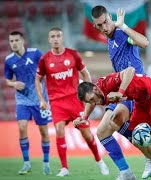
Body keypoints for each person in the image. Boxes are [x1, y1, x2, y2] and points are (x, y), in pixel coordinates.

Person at [90, 5, 151, 179]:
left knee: (116, 119)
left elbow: (144, 43)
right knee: (102, 132)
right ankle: (127, 172)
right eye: (99, 25)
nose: (104, 27)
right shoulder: (109, 39)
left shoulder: (120, 33)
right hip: (123, 90)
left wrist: (124, 26)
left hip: (135, 87)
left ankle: (149, 153)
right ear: (95, 25)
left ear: (110, 18)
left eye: (106, 22)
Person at [34, 27, 109, 177]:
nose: (55, 39)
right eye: (52, 36)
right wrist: (41, 99)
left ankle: (99, 161)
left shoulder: (73, 55)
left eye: (58, 36)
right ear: (49, 40)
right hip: (56, 101)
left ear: (62, 38)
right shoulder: (45, 59)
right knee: (59, 130)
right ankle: (64, 168)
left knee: (87, 135)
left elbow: (85, 73)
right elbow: (38, 79)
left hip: (74, 100)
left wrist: (89, 92)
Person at [4, 31, 52, 175]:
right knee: (22, 126)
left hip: (40, 99)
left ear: (22, 40)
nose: (14, 43)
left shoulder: (35, 53)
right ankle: (26, 163)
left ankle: (46, 163)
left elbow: (47, 69)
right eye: (11, 41)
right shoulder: (9, 60)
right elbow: (7, 80)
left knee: (44, 131)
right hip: (22, 99)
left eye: (16, 40)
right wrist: (13, 84)